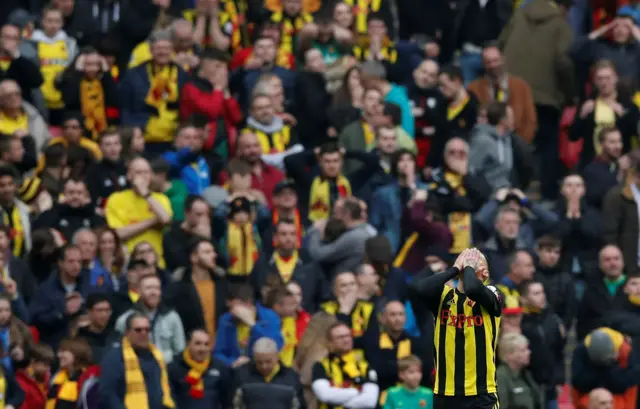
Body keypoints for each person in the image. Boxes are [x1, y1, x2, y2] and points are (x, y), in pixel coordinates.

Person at [409, 248, 501, 409]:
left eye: (473, 260)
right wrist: (454, 269)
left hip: (481, 393)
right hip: (445, 394)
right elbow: (418, 288)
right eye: (465, 259)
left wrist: (469, 268)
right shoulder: (443, 296)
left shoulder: (492, 294)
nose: (468, 262)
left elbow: (473, 288)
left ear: (485, 273)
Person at [105, 157, 172, 268]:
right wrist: (153, 221)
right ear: (129, 176)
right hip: (127, 262)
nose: (143, 176)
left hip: (155, 262)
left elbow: (165, 219)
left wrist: (145, 194)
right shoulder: (116, 198)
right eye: (138, 172)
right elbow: (119, 234)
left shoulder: (160, 198)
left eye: (146, 172)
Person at [99, 313, 175, 409]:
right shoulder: (114, 358)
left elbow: (166, 390)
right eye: (138, 330)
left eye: (147, 330)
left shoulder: (156, 357)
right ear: (127, 332)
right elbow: (108, 395)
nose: (143, 333)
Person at [115, 274, 185, 364]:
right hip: (136, 371)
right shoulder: (125, 319)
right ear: (139, 291)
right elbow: (118, 352)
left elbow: (180, 352)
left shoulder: (172, 317)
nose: (153, 292)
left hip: (168, 371)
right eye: (148, 288)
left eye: (157, 288)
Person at [311, 322, 379, 409]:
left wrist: (341, 403)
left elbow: (370, 401)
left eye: (348, 336)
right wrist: (355, 392)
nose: (346, 340)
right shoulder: (320, 366)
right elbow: (325, 395)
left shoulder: (364, 366)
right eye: (340, 337)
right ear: (330, 342)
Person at [213, 283, 284, 367]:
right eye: (230, 308)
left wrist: (252, 324)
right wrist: (232, 362)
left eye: (234, 307)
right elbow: (217, 353)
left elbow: (276, 346)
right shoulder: (226, 319)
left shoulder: (270, 317)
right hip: (234, 370)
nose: (231, 312)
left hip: (262, 368)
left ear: (248, 304)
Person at [232, 337, 306, 409]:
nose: (264, 366)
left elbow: (300, 406)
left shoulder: (292, 377)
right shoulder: (241, 375)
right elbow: (231, 404)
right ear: (254, 358)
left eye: (268, 361)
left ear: (277, 356)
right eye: (259, 362)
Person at [168, 329, 231, 409]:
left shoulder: (219, 367)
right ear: (188, 344)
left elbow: (227, 401)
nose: (202, 349)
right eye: (198, 343)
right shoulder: (174, 367)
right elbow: (170, 401)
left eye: (206, 344)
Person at [496, 332, 543, 409]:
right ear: (509, 355)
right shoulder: (501, 376)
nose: (529, 352)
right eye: (523, 350)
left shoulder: (525, 374)